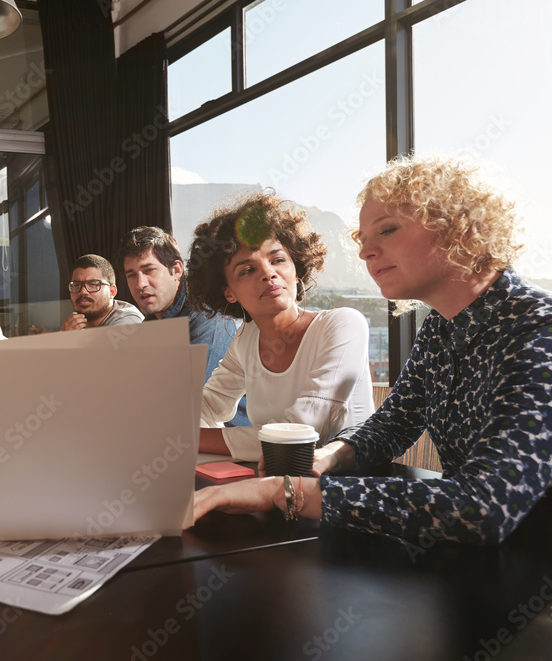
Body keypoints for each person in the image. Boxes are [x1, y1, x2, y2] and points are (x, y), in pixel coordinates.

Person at [193, 155, 552, 546]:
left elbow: (484, 507)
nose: (365, 253)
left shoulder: (540, 330)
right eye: (363, 241)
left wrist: (283, 492)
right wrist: (330, 456)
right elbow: (393, 424)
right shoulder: (440, 329)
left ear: (456, 226)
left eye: (388, 230)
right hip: (483, 560)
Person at [186, 192, 375, 461]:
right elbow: (208, 406)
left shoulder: (343, 325)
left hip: (345, 488)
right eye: (247, 270)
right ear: (228, 293)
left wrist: (188, 439)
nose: (268, 273)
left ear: (296, 272)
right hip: (275, 479)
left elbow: (304, 434)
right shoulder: (246, 339)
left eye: (277, 260)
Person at [119, 226, 249, 426]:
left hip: (229, 441)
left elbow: (194, 403)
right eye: (131, 275)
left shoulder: (208, 315)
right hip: (179, 433)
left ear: (177, 270)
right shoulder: (151, 321)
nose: (140, 284)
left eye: (149, 270)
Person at [61, 254, 143, 331]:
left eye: (93, 284)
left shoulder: (129, 320)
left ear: (112, 291)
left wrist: (66, 339)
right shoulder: (74, 322)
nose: (83, 291)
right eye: (76, 285)